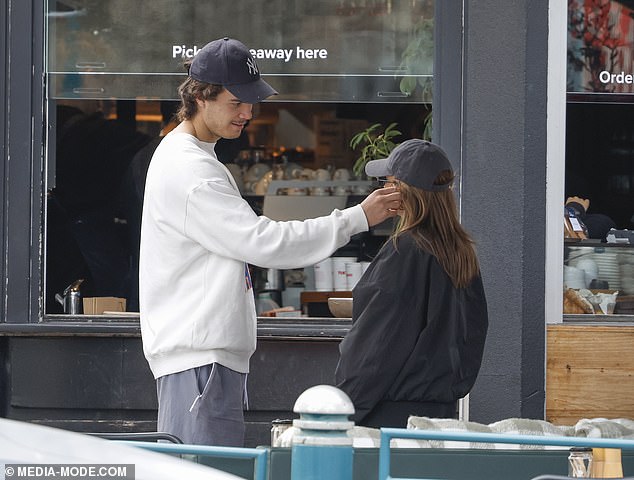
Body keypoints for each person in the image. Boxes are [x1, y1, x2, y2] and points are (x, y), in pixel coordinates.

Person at [138, 37, 401, 447]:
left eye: (251, 101)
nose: (248, 112)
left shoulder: (193, 158)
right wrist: (357, 217)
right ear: (201, 98)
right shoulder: (191, 169)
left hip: (202, 358)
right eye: (236, 101)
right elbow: (266, 243)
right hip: (199, 361)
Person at [335, 139, 489, 428]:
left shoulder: (406, 250)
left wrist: (343, 409)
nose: (381, 190)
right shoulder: (460, 252)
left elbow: (378, 342)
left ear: (400, 191)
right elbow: (473, 334)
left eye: (387, 182)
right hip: (440, 413)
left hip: (390, 414)